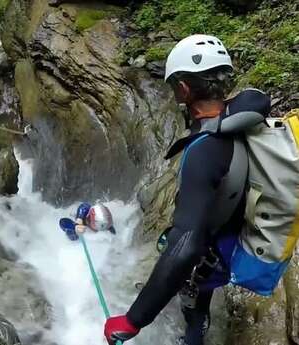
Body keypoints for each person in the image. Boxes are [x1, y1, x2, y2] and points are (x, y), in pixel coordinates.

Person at [104, 34, 271, 345]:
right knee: (197, 292)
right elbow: (257, 97)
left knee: (192, 301)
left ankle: (194, 334)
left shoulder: (205, 150)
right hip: (233, 232)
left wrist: (131, 321)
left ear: (182, 89)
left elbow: (186, 249)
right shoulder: (241, 120)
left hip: (212, 252)